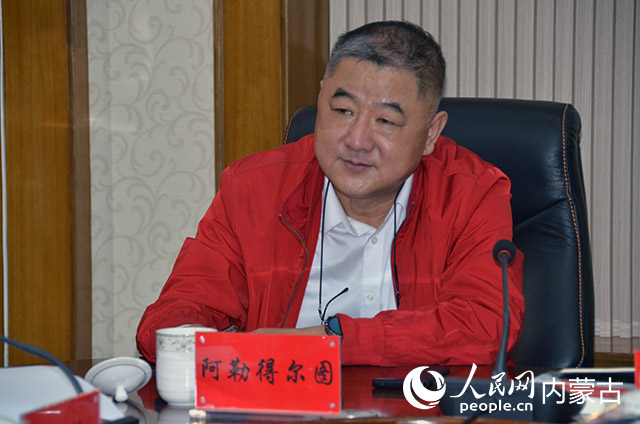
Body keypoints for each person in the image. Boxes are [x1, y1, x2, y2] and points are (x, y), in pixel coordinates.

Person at [136, 20, 524, 367]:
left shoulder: (471, 193)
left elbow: (486, 326)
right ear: (321, 98)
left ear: (430, 134)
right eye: (342, 110)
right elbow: (175, 314)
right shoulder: (252, 188)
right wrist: (195, 342)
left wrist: (330, 340)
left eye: (386, 120)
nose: (357, 141)